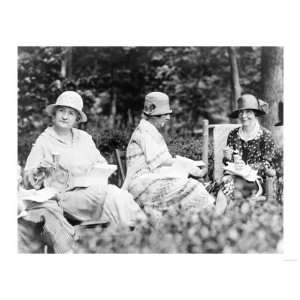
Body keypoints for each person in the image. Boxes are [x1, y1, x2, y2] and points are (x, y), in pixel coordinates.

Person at [19, 91, 144, 253]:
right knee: (113, 195)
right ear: (54, 114)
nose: (65, 116)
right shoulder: (45, 141)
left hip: (92, 192)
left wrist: (96, 172)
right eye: (62, 111)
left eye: (71, 113)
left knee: (117, 197)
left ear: (77, 118)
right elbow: (28, 179)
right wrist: (41, 171)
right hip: (64, 198)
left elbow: (101, 163)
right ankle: (143, 236)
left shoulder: (84, 138)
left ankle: (136, 238)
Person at [123, 91, 228, 219]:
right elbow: (163, 160)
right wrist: (190, 165)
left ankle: (203, 222)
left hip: (151, 180)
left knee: (196, 185)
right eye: (165, 114)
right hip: (142, 185)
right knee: (193, 187)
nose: (168, 118)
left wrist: (190, 167)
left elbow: (162, 163)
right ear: (155, 115)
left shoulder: (149, 130)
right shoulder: (144, 132)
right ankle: (214, 221)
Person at [222, 94, 277, 199]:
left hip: (255, 180)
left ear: (255, 113)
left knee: (226, 188)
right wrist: (227, 157)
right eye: (241, 112)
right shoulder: (233, 134)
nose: (243, 116)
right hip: (234, 178)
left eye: (248, 112)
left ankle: (216, 214)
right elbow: (227, 162)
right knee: (227, 185)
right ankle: (223, 214)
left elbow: (268, 163)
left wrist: (248, 167)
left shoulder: (265, 135)